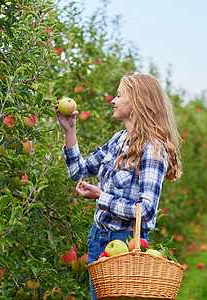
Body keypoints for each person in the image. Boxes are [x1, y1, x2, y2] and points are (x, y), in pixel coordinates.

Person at [55, 73, 182, 300]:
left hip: (127, 245)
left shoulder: (153, 149)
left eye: (119, 95)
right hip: (98, 241)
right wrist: (69, 130)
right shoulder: (118, 140)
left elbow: (146, 209)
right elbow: (79, 172)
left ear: (136, 103)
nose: (113, 100)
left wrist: (101, 196)